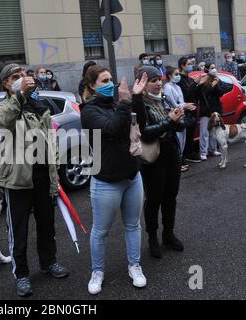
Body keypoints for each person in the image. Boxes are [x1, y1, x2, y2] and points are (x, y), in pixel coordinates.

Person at [0, 63, 69, 297]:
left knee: (47, 224)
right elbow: (3, 121)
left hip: (42, 175)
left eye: (24, 75)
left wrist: (54, 173)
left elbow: (51, 140)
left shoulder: (39, 105)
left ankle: (49, 262)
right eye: (16, 77)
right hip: (17, 178)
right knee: (19, 230)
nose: (23, 78)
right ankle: (22, 274)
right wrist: (20, 94)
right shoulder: (5, 105)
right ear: (6, 83)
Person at [80, 65, 148, 294]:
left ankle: (134, 266)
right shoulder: (89, 110)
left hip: (132, 176)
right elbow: (111, 129)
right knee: (101, 231)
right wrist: (125, 102)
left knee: (133, 225)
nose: (110, 83)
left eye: (111, 79)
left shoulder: (118, 104)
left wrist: (136, 98)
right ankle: (97, 272)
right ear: (92, 86)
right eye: (104, 80)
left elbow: (141, 124)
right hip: (106, 181)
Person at [133, 66, 189, 259]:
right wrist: (170, 122)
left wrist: (179, 118)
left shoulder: (164, 99)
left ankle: (168, 234)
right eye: (153, 80)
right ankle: (152, 239)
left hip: (171, 152)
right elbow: (145, 132)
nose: (158, 84)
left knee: (170, 195)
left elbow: (180, 125)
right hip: (153, 157)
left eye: (160, 80)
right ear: (143, 83)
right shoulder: (140, 105)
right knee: (154, 199)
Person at [163, 66, 198, 172]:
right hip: (174, 117)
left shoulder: (177, 87)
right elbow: (172, 104)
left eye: (178, 74)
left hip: (181, 116)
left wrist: (186, 105)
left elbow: (181, 101)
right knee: (177, 140)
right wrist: (185, 106)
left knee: (182, 140)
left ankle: (181, 160)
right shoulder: (168, 87)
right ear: (170, 76)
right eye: (176, 74)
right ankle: (177, 163)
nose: (178, 76)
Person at [195, 63, 228, 160]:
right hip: (206, 110)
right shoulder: (204, 79)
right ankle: (203, 152)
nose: (214, 70)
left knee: (214, 131)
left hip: (216, 109)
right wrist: (212, 85)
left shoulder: (217, 79)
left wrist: (216, 85)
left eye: (215, 67)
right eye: (212, 68)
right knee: (204, 131)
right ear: (207, 70)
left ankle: (213, 149)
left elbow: (221, 92)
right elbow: (203, 93)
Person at [177, 57, 201, 163]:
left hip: (193, 109)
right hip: (186, 110)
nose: (191, 65)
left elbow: (195, 93)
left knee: (191, 133)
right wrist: (194, 83)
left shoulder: (189, 78)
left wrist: (199, 84)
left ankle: (190, 153)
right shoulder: (180, 80)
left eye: (191, 63)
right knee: (185, 134)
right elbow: (185, 94)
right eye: (189, 63)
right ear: (183, 65)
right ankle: (185, 154)